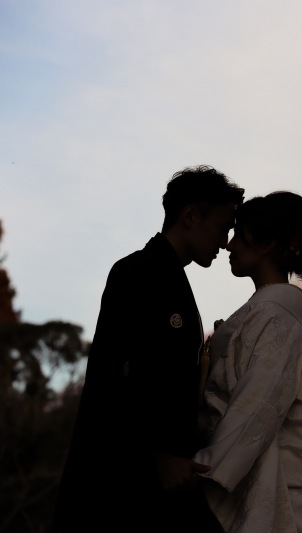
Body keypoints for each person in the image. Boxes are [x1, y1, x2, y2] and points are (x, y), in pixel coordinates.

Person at [52, 165, 244, 532]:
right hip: (117, 482)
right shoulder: (137, 272)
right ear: (190, 216)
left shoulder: (171, 279)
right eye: (223, 227)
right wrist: (160, 455)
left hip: (151, 481)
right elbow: (119, 378)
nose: (225, 242)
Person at [194, 191, 302, 532]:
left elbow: (257, 406)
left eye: (238, 236)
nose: (229, 246)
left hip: (277, 501)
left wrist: (204, 468)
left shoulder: (272, 321)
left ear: (264, 246)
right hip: (294, 499)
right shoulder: (295, 331)